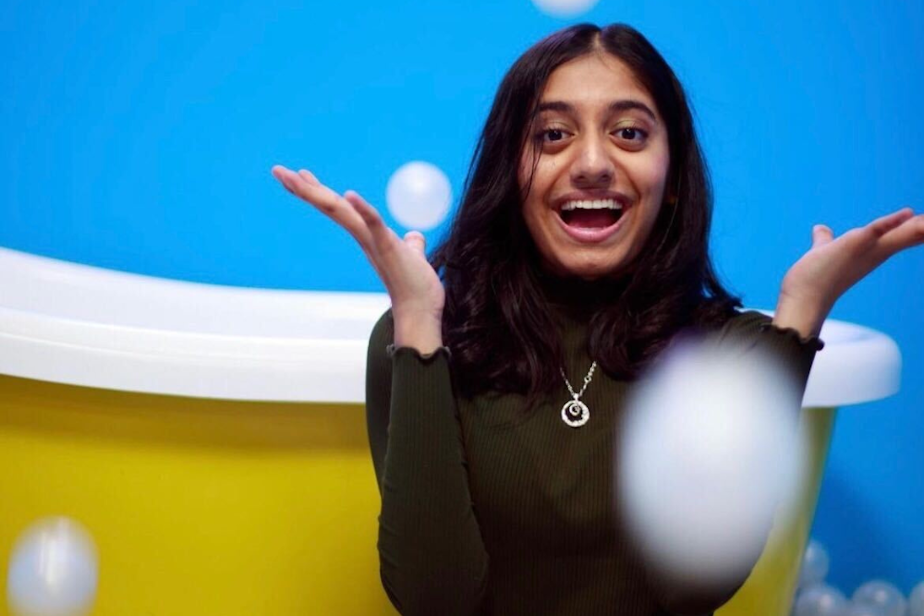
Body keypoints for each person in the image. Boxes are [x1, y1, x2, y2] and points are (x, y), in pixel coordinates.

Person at [271, 23, 923, 616]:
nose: (590, 163)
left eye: (630, 133)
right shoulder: (423, 341)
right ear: (511, 168)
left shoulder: (729, 355)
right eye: (552, 135)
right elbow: (434, 599)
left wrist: (800, 318)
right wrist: (416, 325)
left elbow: (692, 591)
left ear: (672, 172)